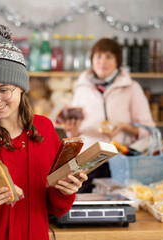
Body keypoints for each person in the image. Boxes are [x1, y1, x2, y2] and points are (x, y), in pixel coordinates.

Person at [0, 24, 88, 240]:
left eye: (3, 90)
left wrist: (65, 191)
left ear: (21, 87)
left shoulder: (45, 129)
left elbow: (55, 208)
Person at [63, 38, 155, 192]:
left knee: (120, 208)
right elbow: (76, 131)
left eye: (108, 57)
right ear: (91, 60)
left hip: (121, 162)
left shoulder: (132, 88)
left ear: (118, 61)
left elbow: (148, 130)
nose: (102, 62)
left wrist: (125, 127)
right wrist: (72, 132)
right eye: (98, 56)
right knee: (84, 206)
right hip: (88, 161)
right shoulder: (82, 88)